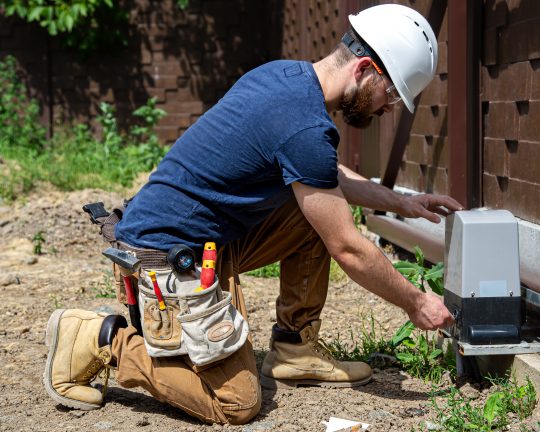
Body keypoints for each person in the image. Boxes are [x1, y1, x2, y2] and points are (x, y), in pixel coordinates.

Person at [43, 4, 461, 425]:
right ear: (366, 68)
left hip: (201, 238)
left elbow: (324, 177)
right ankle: (99, 339)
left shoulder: (286, 78)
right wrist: (416, 302)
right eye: (390, 94)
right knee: (236, 404)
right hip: (164, 256)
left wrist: (401, 202)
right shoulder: (305, 127)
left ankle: (294, 349)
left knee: (316, 211)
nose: (387, 108)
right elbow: (349, 249)